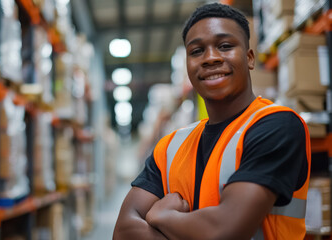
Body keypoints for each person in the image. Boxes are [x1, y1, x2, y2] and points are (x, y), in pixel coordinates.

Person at [113, 3, 311, 240]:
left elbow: (225, 231)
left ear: (249, 58)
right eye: (196, 51)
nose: (210, 58)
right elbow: (124, 231)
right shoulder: (168, 148)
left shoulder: (277, 125)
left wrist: (162, 217)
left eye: (225, 46)